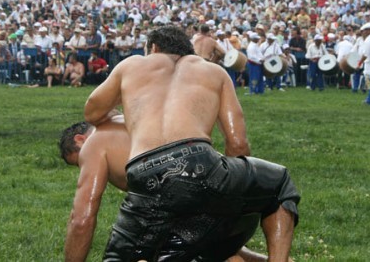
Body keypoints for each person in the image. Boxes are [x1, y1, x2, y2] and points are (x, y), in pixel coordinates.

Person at [83, 25, 299, 261]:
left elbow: (92, 112)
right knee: (278, 183)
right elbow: (237, 144)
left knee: (121, 257)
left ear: (153, 48)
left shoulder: (131, 65)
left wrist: (131, 110)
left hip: (142, 170)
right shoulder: (214, 72)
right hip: (200, 160)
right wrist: (228, 194)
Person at [59, 115, 271, 262]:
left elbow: (81, 219)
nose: (83, 168)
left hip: (195, 201)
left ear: (81, 140)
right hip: (236, 195)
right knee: (217, 246)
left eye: (79, 162)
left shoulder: (95, 142)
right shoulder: (137, 120)